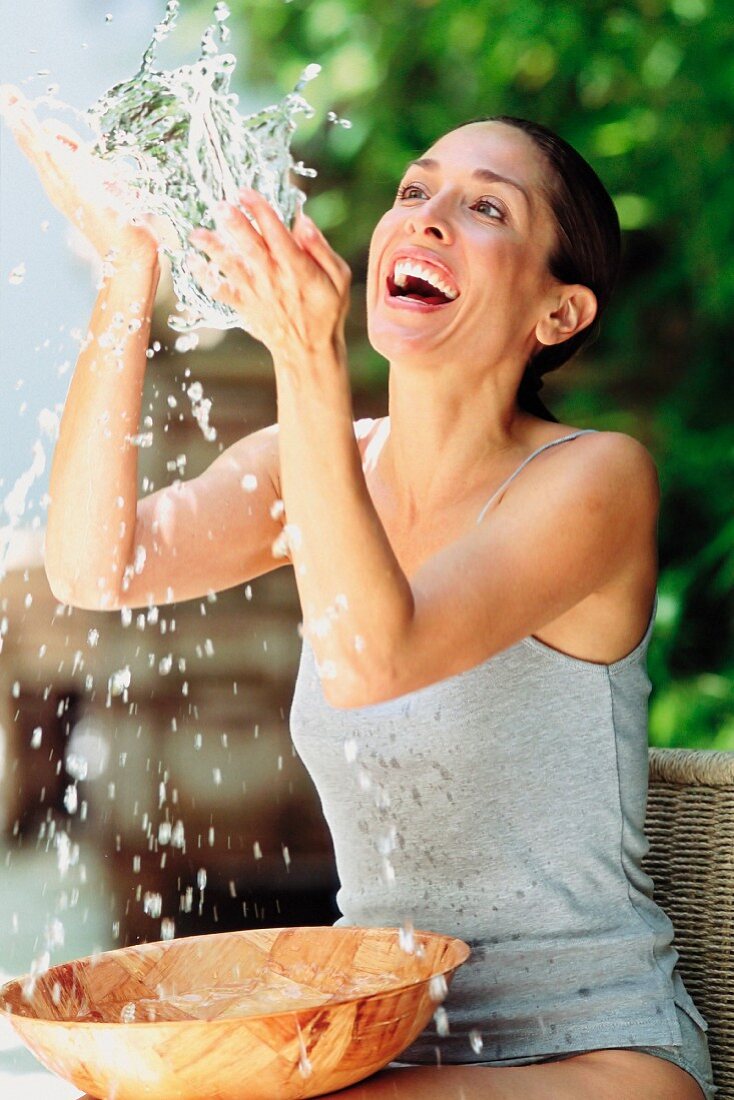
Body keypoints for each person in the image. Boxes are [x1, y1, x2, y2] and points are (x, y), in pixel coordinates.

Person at [0, 83, 716, 1100]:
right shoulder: (319, 466)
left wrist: (303, 355)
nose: (423, 213)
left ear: (559, 311)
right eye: (413, 188)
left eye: (484, 207)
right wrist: (128, 275)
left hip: (588, 1056)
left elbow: (375, 655)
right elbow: (92, 566)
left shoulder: (593, 481)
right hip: (372, 1039)